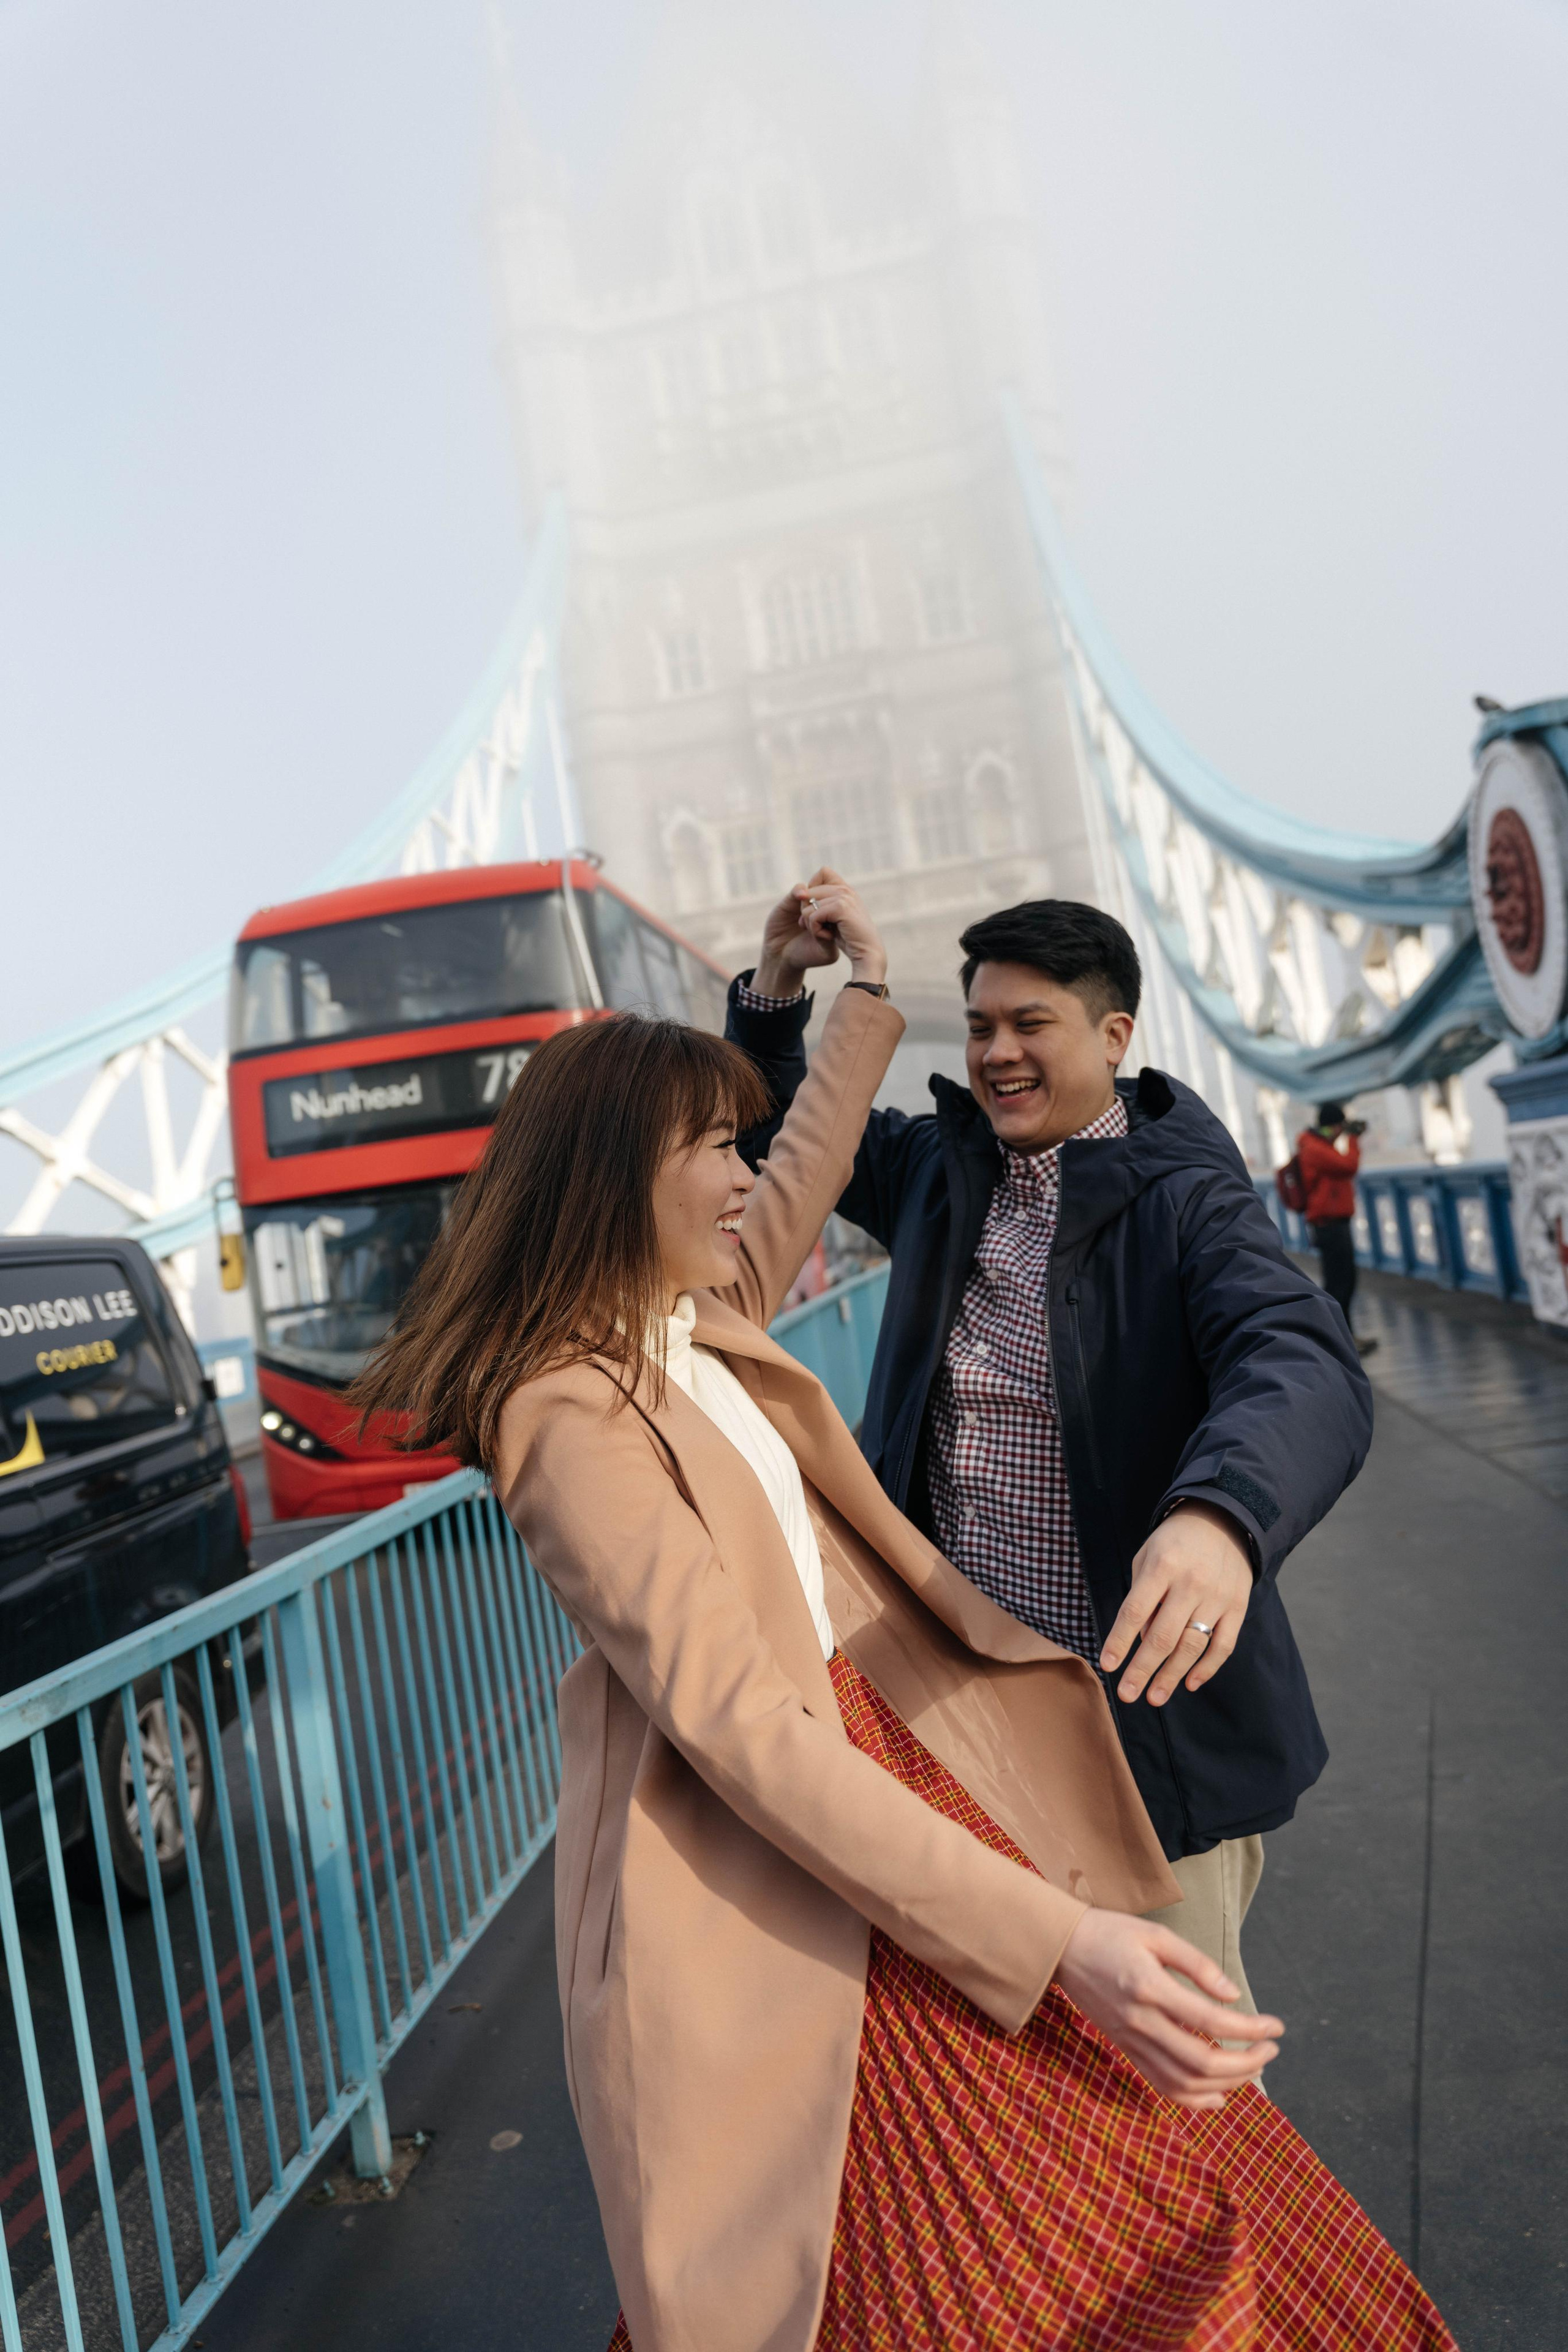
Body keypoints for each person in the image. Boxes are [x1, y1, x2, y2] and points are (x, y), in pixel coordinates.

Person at [352, 943, 1453, 2352]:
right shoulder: (562, 1412)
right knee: (967, 2243)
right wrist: (1062, 1944)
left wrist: (852, 998)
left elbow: (799, 1157)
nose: (743, 1171)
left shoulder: (693, 1316)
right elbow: (742, 1732)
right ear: (611, 1177)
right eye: (707, 1146)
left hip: (896, 1779)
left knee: (1148, 2174)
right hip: (788, 1852)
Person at [728, 876, 1374, 2010]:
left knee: (1185, 2077)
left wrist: (1222, 1516)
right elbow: (793, 1134)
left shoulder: (1189, 1201)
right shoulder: (941, 1168)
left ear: (1114, 1035)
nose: (998, 1053)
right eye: (981, 1026)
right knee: (1033, 2080)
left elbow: (1299, 1360)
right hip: (966, 1724)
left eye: (1033, 1024)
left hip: (1136, 1738)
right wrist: (779, 993)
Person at [1298, 1101, 1377, 1354]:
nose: (1343, 1131)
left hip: (1335, 1223)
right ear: (1332, 1125)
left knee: (1345, 1281)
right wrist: (1353, 1139)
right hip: (1329, 1225)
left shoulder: (1319, 1144)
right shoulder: (1314, 1147)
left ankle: (1345, 1337)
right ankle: (1337, 1341)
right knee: (1338, 1284)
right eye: (1340, 1126)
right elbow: (1348, 1166)